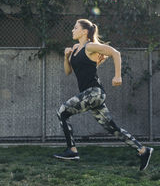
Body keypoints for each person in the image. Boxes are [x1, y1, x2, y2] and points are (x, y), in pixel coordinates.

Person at [53, 19, 153, 170]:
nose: (72, 30)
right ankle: (143, 150)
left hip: (94, 92)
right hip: (90, 95)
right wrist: (66, 57)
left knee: (62, 112)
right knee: (112, 128)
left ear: (84, 31)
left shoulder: (90, 46)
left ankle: (72, 150)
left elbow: (115, 53)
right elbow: (68, 72)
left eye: (75, 28)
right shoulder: (74, 48)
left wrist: (118, 75)